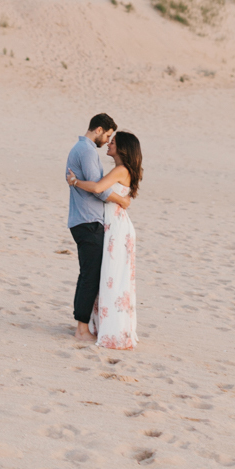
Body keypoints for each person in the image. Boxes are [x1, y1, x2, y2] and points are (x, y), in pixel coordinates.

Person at [68, 132, 142, 350]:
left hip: (116, 226)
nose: (109, 144)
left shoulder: (120, 170)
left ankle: (110, 328)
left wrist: (76, 181)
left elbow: (99, 189)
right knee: (112, 276)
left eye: (113, 141)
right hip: (115, 223)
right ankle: (105, 325)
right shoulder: (122, 170)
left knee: (112, 276)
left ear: (123, 148)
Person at [64, 114, 127, 341]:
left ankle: (83, 325)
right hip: (88, 221)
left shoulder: (80, 149)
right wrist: (122, 201)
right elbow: (99, 189)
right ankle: (81, 330)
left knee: (88, 274)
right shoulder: (88, 151)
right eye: (108, 135)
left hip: (83, 220)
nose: (108, 140)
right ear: (99, 129)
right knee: (90, 276)